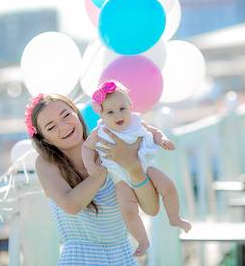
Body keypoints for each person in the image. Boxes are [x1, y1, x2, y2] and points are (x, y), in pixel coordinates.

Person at [26, 93, 160, 265]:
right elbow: (71, 205)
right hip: (80, 258)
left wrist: (132, 167)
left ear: (76, 113)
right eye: (51, 127)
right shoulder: (47, 163)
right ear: (45, 139)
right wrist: (100, 173)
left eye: (66, 115)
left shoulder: (111, 145)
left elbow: (152, 208)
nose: (63, 126)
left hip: (123, 256)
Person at [82, 81, 192, 257]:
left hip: (145, 167)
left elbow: (155, 132)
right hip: (119, 177)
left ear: (130, 107)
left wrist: (162, 140)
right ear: (101, 113)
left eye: (122, 109)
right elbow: (87, 148)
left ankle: (175, 217)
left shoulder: (137, 122)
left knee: (169, 187)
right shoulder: (99, 131)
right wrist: (90, 165)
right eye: (110, 112)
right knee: (128, 210)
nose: (118, 115)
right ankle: (142, 240)